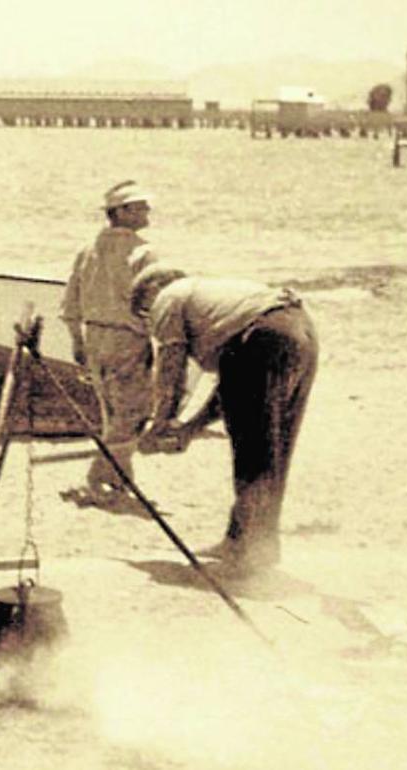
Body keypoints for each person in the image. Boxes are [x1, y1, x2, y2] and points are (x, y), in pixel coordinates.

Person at [129, 265, 318, 573]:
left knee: (252, 452)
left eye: (144, 313)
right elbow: (231, 392)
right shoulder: (220, 300)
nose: (150, 323)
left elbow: (170, 367)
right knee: (274, 449)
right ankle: (251, 543)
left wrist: (159, 423)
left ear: (152, 291)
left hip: (262, 337)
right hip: (302, 331)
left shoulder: (169, 296)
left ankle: (248, 551)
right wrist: (189, 429)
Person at [58, 180, 159, 508]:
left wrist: (77, 341)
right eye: (140, 206)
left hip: (94, 337)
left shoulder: (87, 250)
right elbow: (156, 303)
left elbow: (70, 303)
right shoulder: (143, 252)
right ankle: (98, 478)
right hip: (127, 339)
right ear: (123, 212)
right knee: (133, 413)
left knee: (111, 413)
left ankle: (117, 481)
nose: (147, 211)